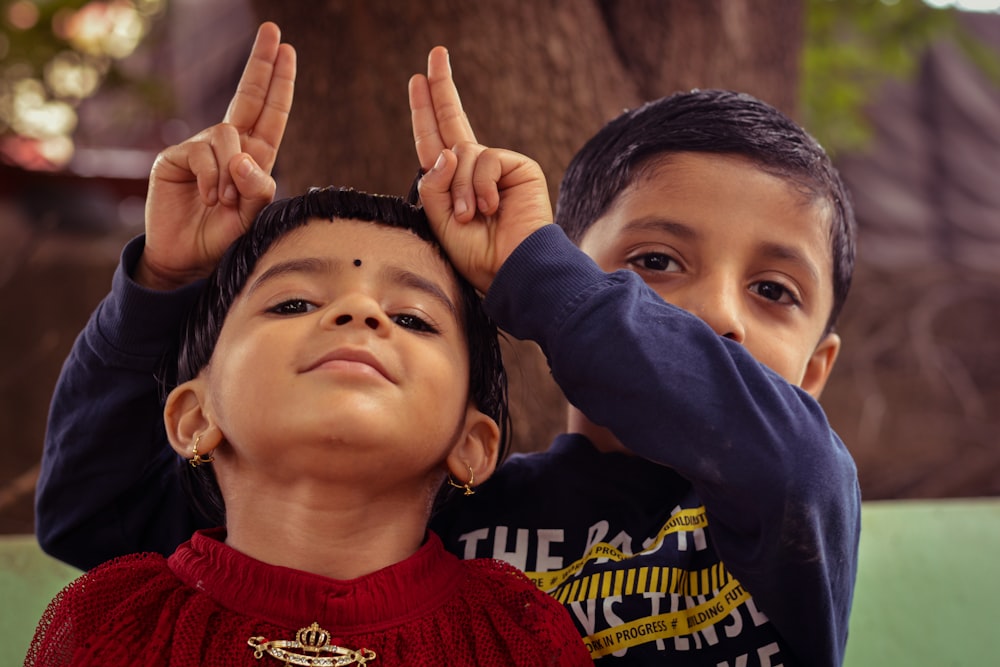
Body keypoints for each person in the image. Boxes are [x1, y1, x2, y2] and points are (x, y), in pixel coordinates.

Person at [35, 35, 860, 665]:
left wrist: (536, 270)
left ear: (817, 371)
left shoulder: (789, 518)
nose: (718, 314)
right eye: (654, 263)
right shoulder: (435, 497)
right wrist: (165, 280)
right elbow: (100, 520)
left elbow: (786, 461)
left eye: (773, 291)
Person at [26, 184, 592, 667]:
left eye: (411, 318)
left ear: (472, 445)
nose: (359, 313)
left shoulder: (520, 637)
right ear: (195, 416)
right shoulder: (107, 621)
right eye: (293, 304)